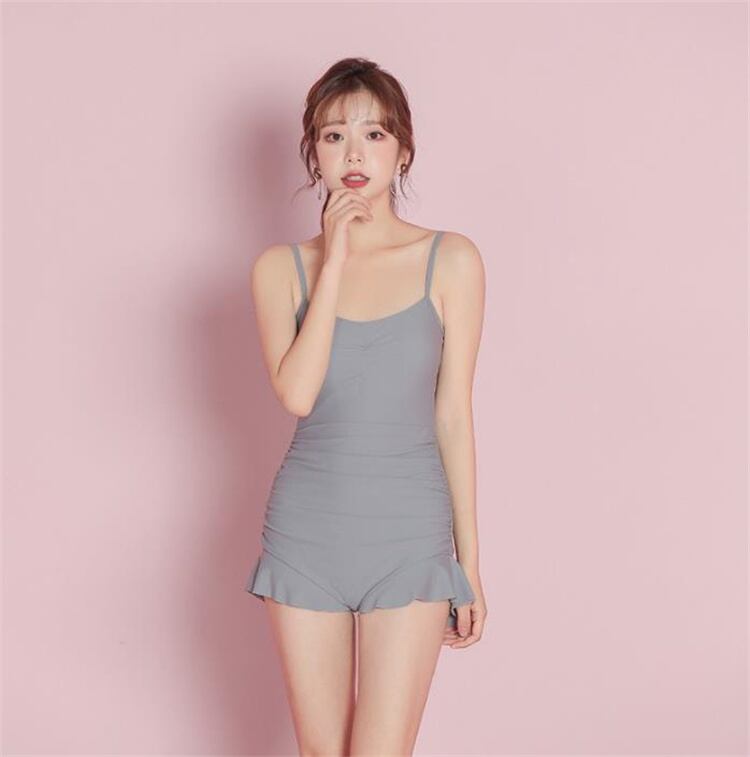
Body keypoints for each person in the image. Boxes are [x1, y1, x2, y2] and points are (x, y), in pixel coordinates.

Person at [245, 57, 487, 756]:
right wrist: (337, 259)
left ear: (403, 151)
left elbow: (453, 417)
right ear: (313, 153)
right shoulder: (280, 269)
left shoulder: (452, 260)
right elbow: (297, 393)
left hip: (410, 538)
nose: (354, 154)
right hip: (306, 536)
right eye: (333, 136)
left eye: (374, 134)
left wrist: (469, 564)